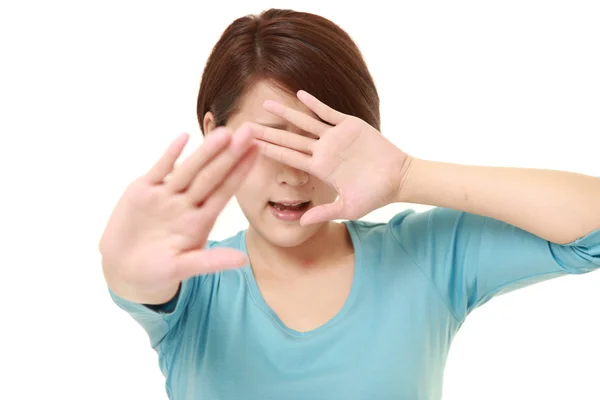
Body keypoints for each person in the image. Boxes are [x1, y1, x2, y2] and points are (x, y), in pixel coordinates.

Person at [100, 8, 600, 400]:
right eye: (273, 143)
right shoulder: (192, 285)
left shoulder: (424, 257)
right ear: (215, 136)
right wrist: (125, 266)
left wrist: (409, 176)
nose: (295, 173)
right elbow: (141, 279)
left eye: (317, 142)